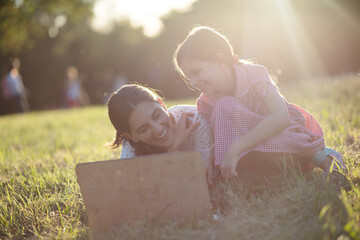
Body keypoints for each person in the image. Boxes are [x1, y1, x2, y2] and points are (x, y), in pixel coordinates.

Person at [173, 26, 347, 179]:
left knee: (227, 106)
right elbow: (216, 142)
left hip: (283, 139)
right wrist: (207, 160)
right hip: (255, 157)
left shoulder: (255, 74)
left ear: (220, 61)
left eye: (196, 72)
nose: (194, 82)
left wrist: (235, 149)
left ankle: (324, 158)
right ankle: (251, 175)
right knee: (224, 106)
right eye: (189, 78)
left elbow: (281, 117)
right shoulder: (206, 103)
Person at [107, 84, 215, 184]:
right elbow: (132, 190)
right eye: (144, 128)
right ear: (131, 136)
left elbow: (201, 187)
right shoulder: (130, 146)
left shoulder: (195, 120)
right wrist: (174, 149)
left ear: (162, 105)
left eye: (157, 115)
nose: (158, 129)